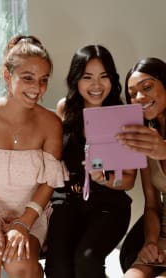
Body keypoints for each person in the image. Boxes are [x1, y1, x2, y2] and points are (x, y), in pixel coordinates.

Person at [0, 35, 67, 278]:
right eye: (28, 78)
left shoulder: (52, 123)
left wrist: (24, 223)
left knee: (20, 263)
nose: (37, 88)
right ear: (7, 75)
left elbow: (49, 183)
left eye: (43, 80)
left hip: (32, 213)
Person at [44, 44, 137, 278]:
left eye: (104, 77)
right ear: (76, 79)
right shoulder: (65, 109)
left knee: (86, 262)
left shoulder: (125, 115)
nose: (96, 85)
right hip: (67, 202)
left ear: (112, 79)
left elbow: (127, 182)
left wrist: (105, 180)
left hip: (108, 205)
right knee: (58, 269)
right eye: (88, 77)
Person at [116, 57, 166, 277]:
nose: (140, 97)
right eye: (132, 93)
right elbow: (152, 204)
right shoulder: (147, 138)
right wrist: (151, 243)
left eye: (147, 87)